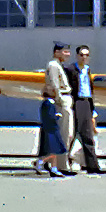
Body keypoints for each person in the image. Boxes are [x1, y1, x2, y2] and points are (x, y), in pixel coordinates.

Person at [63, 44, 106, 174]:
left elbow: (90, 89)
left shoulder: (87, 70)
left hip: (87, 102)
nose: (84, 57)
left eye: (87, 55)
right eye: (82, 55)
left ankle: (92, 166)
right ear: (77, 56)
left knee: (87, 134)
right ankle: (65, 163)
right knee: (73, 134)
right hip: (77, 102)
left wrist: (92, 108)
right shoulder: (71, 69)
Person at [36, 42, 75, 175]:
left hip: (64, 99)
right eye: (65, 51)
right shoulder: (53, 66)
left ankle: (53, 163)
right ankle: (61, 166)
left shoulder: (59, 66)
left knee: (65, 135)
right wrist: (59, 101)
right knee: (63, 135)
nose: (68, 54)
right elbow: (55, 85)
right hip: (61, 101)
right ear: (56, 52)